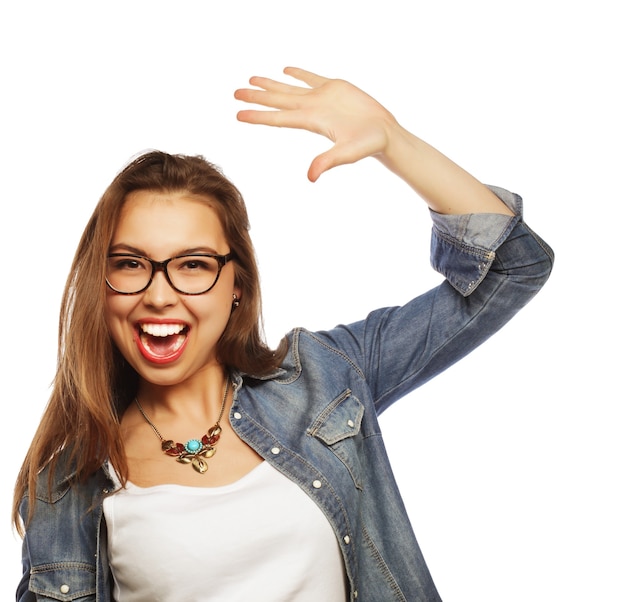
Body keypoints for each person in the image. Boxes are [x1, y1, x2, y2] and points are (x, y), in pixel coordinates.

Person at [13, 67, 554, 602]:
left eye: (194, 265)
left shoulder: (324, 377)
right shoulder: (65, 490)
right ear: (100, 284)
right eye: (131, 263)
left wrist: (393, 140)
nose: (158, 295)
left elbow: (513, 266)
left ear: (237, 287)